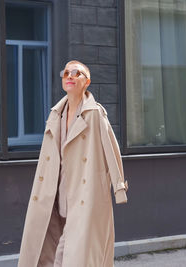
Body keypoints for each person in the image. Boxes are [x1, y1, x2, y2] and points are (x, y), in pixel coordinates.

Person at [18, 60, 128, 267]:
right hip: (55, 196)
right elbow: (46, 158)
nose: (69, 76)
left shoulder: (95, 114)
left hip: (83, 197)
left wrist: (119, 187)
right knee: (45, 254)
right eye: (66, 72)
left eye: (76, 73)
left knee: (67, 257)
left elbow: (112, 151)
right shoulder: (55, 114)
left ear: (87, 82)